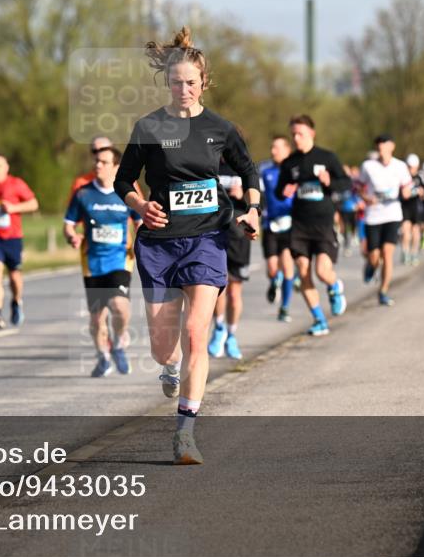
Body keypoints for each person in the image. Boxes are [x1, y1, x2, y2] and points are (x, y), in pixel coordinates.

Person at [114, 27, 260, 465]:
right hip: (159, 243)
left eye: (191, 82)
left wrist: (251, 209)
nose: (183, 89)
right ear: (168, 83)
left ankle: (185, 432)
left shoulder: (220, 128)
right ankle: (168, 366)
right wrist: (140, 205)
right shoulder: (149, 126)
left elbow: (249, 172)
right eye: (176, 82)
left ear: (203, 83)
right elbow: (124, 179)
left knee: (198, 331)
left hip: (207, 238)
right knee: (164, 345)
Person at [64, 146, 141, 377]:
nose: (98, 165)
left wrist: (140, 242)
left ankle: (118, 344)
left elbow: (139, 220)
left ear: (116, 167)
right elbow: (68, 223)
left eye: (104, 162)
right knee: (97, 318)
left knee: (120, 306)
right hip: (93, 262)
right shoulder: (83, 193)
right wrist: (72, 236)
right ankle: (102, 357)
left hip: (120, 260)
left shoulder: (127, 193)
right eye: (96, 161)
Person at [277, 114, 350, 336]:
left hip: (324, 224)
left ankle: (335, 286)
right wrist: (284, 191)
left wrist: (331, 182)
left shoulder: (327, 157)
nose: (296, 138)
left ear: (311, 133)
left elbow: (346, 183)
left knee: (322, 271)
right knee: (304, 272)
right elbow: (279, 191)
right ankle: (319, 319)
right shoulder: (290, 163)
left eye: (300, 133)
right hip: (300, 225)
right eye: (293, 134)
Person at [0, 153, 39, 328]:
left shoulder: (16, 184)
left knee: (14, 276)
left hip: (12, 237)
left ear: (6, 167)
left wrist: (14, 208)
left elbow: (34, 203)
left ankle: (16, 301)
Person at [207, 152, 253, 358]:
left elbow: (262, 205)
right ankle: (218, 329)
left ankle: (231, 335)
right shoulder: (209, 166)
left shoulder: (246, 170)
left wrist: (243, 195)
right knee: (219, 287)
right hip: (215, 233)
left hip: (239, 237)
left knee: (235, 293)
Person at [358, 135, 412, 306]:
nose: (381, 148)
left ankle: (383, 291)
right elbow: (358, 186)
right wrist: (366, 198)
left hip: (392, 214)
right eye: (379, 145)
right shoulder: (368, 166)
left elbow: (407, 186)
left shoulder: (400, 166)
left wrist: (406, 193)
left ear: (392, 147)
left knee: (387, 254)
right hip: (373, 215)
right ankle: (371, 266)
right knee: (374, 255)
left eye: (384, 144)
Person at [258, 135, 296, 322]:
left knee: (288, 266)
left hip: (290, 224)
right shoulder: (265, 170)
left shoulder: (295, 171)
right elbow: (258, 193)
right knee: (272, 268)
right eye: (272, 147)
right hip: (270, 224)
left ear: (287, 150)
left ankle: (285, 307)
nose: (274, 151)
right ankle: (275, 281)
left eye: (278, 148)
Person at [399, 153, 424, 265]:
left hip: (416, 207)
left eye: (413, 167)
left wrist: (420, 192)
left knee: (415, 231)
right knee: (405, 231)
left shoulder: (420, 177)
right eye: (409, 167)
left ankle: (414, 253)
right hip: (405, 206)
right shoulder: (402, 176)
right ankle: (405, 252)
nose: (411, 169)